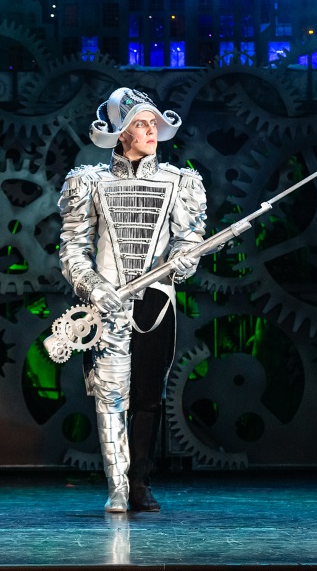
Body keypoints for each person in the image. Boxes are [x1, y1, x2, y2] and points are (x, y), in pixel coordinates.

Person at [57, 88, 207, 513]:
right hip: (107, 302)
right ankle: (117, 487)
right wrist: (93, 287)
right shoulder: (90, 182)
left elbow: (189, 238)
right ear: (122, 133)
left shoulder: (179, 181)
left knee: (148, 395)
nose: (151, 131)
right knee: (110, 395)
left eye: (153, 123)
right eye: (141, 123)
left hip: (156, 303)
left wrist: (184, 259)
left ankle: (139, 482)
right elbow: (73, 247)